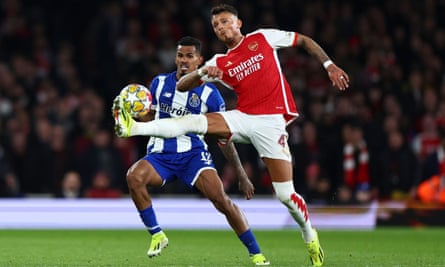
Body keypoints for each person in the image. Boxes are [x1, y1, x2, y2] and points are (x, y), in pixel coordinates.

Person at [113, 4, 350, 266]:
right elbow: (182, 84)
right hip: (243, 118)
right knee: (190, 122)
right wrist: (203, 72)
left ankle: (309, 234)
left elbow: (303, 40)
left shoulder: (262, 38)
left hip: (270, 124)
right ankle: (132, 128)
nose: (221, 28)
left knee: (286, 196)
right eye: (216, 25)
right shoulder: (218, 62)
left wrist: (329, 65)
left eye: (225, 22)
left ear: (239, 23)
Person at [114, 36, 269, 265]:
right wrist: (128, 114)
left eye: (189, 56)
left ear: (199, 61)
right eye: (180, 56)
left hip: (193, 155)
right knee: (133, 177)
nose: (184, 61)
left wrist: (242, 174)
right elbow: (151, 117)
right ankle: (157, 234)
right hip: (161, 154)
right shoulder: (158, 83)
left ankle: (256, 253)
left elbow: (223, 137)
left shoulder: (211, 95)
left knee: (221, 201)